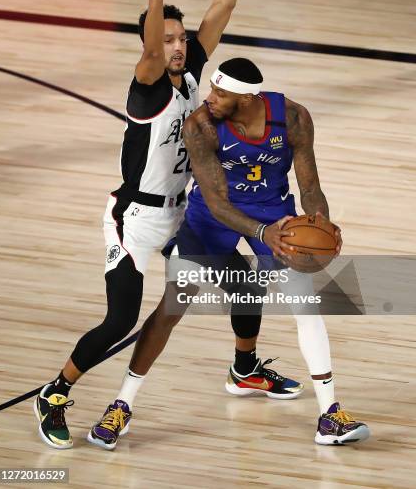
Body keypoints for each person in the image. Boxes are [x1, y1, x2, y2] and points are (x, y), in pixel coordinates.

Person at [34, 0, 265, 450]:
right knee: (119, 323)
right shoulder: (147, 88)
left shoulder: (191, 77)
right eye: (168, 39)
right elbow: (150, 53)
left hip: (182, 212)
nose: (179, 46)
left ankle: (245, 368)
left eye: (182, 38)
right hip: (134, 219)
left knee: (245, 282)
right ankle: (55, 392)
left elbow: (223, 3)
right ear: (152, 44)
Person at [104, 57, 370, 446]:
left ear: (247, 100)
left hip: (274, 212)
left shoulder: (293, 118)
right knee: (173, 306)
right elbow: (216, 203)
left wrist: (319, 223)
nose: (210, 98)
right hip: (212, 217)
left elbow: (310, 185)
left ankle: (329, 415)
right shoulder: (201, 125)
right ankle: (120, 406)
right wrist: (265, 234)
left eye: (221, 93)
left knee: (304, 304)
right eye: (213, 89)